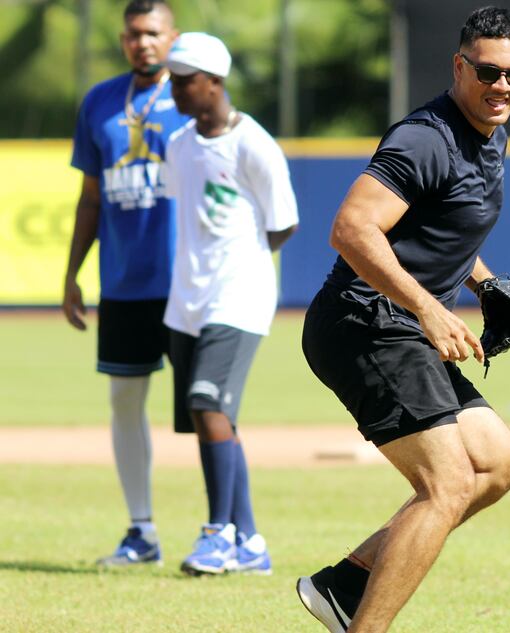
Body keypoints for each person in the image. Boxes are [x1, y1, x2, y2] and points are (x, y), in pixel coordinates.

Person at [298, 7, 510, 631]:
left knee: (500, 463)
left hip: (399, 326)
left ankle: (346, 584)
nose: (502, 85)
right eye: (488, 71)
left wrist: (486, 286)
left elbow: (438, 227)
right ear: (459, 66)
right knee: (448, 483)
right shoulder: (426, 137)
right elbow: (351, 229)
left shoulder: (490, 134)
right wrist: (428, 307)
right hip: (364, 322)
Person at [162, 32, 299, 576]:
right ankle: (250, 544)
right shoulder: (179, 145)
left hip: (238, 296)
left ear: (213, 82)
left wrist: (241, 265)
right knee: (213, 419)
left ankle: (217, 535)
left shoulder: (255, 145)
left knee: (207, 405)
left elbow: (283, 223)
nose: (173, 90)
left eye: (182, 80)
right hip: (186, 302)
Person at [63, 0, 188, 567]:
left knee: (209, 407)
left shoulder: (193, 96)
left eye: (154, 33)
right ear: (122, 40)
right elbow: (91, 196)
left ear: (173, 37)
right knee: (124, 399)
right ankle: (141, 531)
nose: (144, 42)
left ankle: (228, 530)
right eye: (135, 34)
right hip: (124, 283)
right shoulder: (99, 102)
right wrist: (72, 274)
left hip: (188, 282)